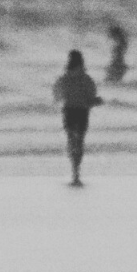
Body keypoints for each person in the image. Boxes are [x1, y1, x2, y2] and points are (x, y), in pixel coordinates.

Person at [53, 50, 102, 186]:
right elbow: (91, 99)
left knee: (70, 140)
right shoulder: (87, 79)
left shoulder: (64, 78)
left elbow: (57, 97)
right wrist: (97, 101)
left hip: (68, 111)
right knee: (79, 141)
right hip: (82, 112)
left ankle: (73, 169)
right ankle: (77, 171)